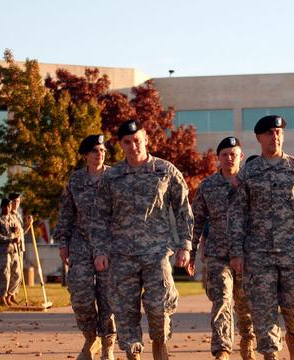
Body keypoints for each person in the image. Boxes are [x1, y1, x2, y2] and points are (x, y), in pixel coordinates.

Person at [89, 120, 193, 360]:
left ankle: (159, 342)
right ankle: (132, 351)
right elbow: (100, 217)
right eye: (127, 142)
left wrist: (185, 245)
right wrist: (100, 251)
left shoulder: (165, 170)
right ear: (121, 145)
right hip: (122, 254)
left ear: (145, 138)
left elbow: (183, 210)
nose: (133, 146)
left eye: (137, 140)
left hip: (156, 252)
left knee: (160, 305)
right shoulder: (112, 176)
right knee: (125, 309)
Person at [228, 115, 294, 360]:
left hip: (293, 251)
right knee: (263, 310)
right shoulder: (248, 173)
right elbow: (237, 214)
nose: (275, 136)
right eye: (270, 133)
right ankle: (270, 354)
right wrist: (236, 251)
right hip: (258, 253)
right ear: (259, 138)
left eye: (279, 132)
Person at [188, 137, 256, 360]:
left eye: (233, 154)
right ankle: (222, 349)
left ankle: (247, 339)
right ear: (218, 158)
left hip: (248, 253)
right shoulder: (208, 186)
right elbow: (197, 220)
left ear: (241, 156)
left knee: (245, 302)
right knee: (222, 299)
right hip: (217, 253)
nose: (229, 158)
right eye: (225, 154)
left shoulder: (251, 183)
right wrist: (190, 251)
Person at [53, 134, 116, 360]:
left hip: (108, 244)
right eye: (95, 151)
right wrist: (63, 242)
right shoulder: (76, 180)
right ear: (86, 155)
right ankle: (91, 338)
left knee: (107, 295)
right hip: (80, 242)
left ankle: (108, 342)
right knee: (80, 294)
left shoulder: (115, 177)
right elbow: (66, 212)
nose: (100, 154)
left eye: (102, 151)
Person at [0, 198, 22, 306]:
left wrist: (17, 232)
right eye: (6, 206)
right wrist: (9, 239)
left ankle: (10, 295)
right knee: (4, 275)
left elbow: (18, 232)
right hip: (3, 252)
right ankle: (2, 298)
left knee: (17, 274)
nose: (8, 208)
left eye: (9, 206)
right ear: (2, 207)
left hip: (14, 250)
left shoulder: (13, 219)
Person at [7, 192, 33, 304]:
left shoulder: (18, 215)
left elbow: (22, 232)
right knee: (15, 273)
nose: (17, 203)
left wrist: (29, 224)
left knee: (19, 274)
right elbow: (8, 232)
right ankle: (8, 296)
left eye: (18, 201)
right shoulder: (8, 215)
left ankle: (13, 295)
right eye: (15, 201)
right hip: (13, 248)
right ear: (10, 202)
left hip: (20, 247)